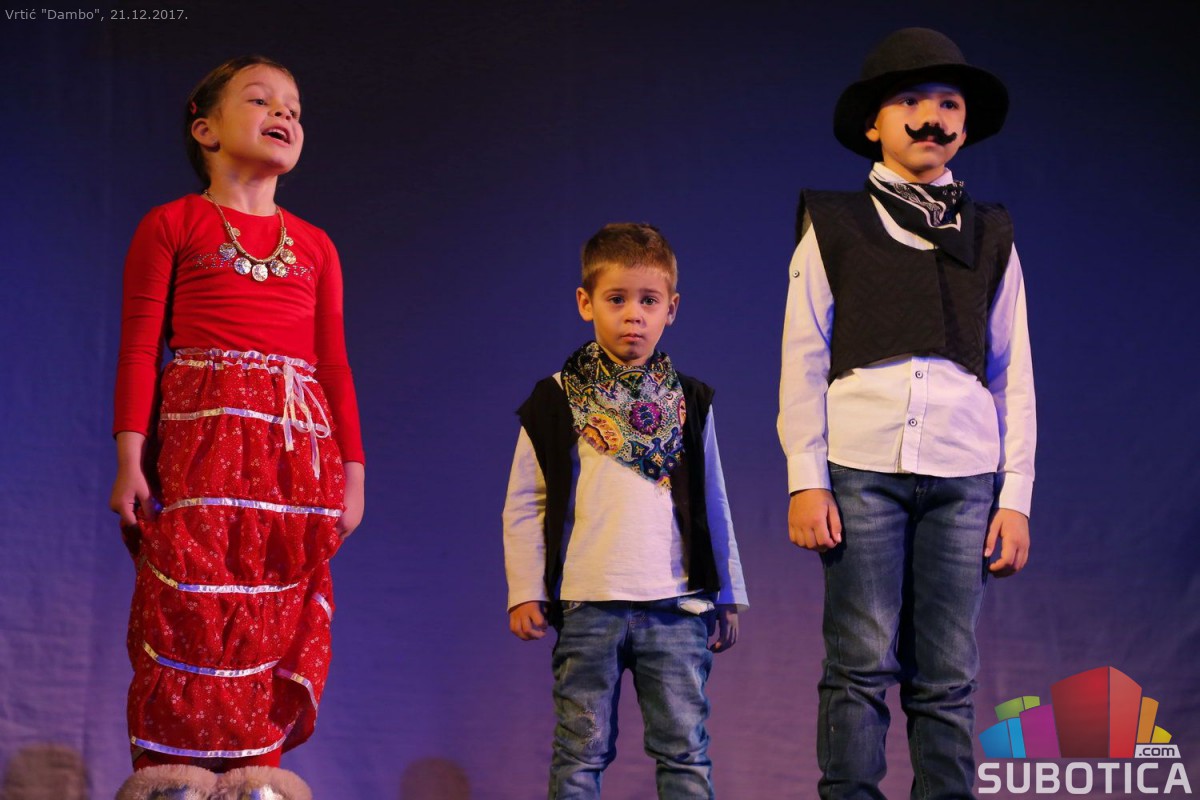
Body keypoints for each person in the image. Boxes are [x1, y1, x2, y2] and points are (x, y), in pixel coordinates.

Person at [778, 28, 1036, 799]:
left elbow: (1012, 371)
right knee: (859, 663)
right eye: (910, 101)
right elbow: (803, 357)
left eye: (948, 103)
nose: (931, 117)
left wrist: (1015, 496)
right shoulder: (835, 224)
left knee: (948, 673)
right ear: (873, 123)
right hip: (863, 469)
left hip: (964, 476)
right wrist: (806, 478)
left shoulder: (991, 233)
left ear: (965, 123)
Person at [109, 55, 365, 800]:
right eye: (260, 100)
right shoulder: (172, 224)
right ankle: (174, 777)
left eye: (294, 107)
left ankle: (256, 774)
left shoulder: (315, 245)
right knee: (191, 604)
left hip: (294, 452)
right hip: (203, 444)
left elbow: (334, 365)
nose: (284, 113)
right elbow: (139, 349)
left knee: (271, 608)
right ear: (206, 129)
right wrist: (130, 459)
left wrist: (352, 473)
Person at [504, 223, 748, 799]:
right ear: (586, 302)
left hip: (678, 604)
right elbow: (527, 500)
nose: (633, 315)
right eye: (616, 299)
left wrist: (729, 590)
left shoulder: (689, 399)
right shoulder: (556, 398)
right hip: (588, 602)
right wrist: (524, 589)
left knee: (684, 750)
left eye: (649, 301)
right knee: (579, 752)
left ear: (672, 309)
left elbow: (714, 497)